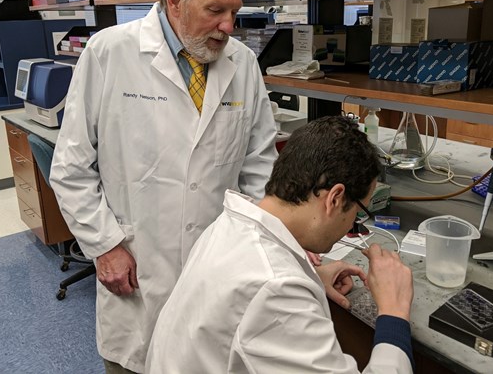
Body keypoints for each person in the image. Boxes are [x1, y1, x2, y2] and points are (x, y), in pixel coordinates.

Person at [49, 0, 278, 373]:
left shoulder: (243, 63)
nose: (228, 25)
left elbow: (258, 164)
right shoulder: (109, 52)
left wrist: (266, 243)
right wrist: (104, 247)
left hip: (218, 273)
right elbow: (72, 168)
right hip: (137, 268)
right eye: (215, 10)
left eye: (235, 11)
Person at [146, 116, 415, 374]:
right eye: (357, 214)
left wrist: (307, 275)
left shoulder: (231, 225)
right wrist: (393, 310)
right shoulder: (275, 288)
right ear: (334, 198)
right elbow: (267, 290)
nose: (351, 226)